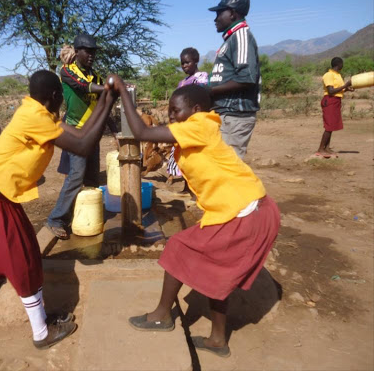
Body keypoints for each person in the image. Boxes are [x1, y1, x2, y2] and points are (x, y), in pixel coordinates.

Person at [107, 75, 280, 358]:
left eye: (177, 111)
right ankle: (217, 340)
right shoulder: (197, 130)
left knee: (178, 246)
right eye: (170, 111)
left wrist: (123, 91)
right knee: (215, 269)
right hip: (246, 208)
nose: (172, 116)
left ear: (197, 110)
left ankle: (162, 316)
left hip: (246, 211)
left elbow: (140, 132)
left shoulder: (199, 126)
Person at [0, 70, 116, 349]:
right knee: (22, 262)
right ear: (55, 97)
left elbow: (81, 134)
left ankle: (41, 317)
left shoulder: (37, 111)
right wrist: (110, 99)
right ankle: (41, 333)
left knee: (30, 253)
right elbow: (83, 145)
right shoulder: (35, 117)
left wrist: (106, 99)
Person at [47, 33, 118, 240]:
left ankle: (86, 216)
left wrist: (115, 131)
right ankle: (56, 219)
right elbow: (82, 86)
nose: (91, 55)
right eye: (88, 51)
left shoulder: (95, 76)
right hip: (75, 133)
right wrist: (108, 88)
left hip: (92, 134)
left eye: (93, 52)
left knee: (92, 179)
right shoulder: (68, 71)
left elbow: (103, 105)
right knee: (76, 177)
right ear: (77, 52)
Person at [208, 0, 260, 159]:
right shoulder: (231, 39)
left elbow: (247, 78)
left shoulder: (241, 36)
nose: (215, 19)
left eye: (219, 13)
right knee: (221, 168)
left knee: (230, 170)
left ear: (232, 13)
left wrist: (209, 91)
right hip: (226, 115)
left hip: (235, 115)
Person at [167, 47, 208, 187]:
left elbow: (202, 101)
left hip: (195, 124)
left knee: (195, 157)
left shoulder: (202, 78)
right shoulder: (182, 82)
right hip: (183, 125)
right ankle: (186, 186)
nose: (184, 66)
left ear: (196, 61)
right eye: (182, 63)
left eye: (187, 62)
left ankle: (195, 190)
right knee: (184, 157)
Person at [316, 57, 353, 158]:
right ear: (339, 64)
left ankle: (326, 148)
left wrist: (346, 89)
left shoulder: (338, 75)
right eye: (342, 64)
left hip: (336, 101)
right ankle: (320, 149)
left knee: (331, 126)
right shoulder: (328, 75)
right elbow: (331, 91)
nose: (343, 65)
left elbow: (337, 90)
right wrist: (345, 85)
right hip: (330, 100)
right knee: (329, 126)